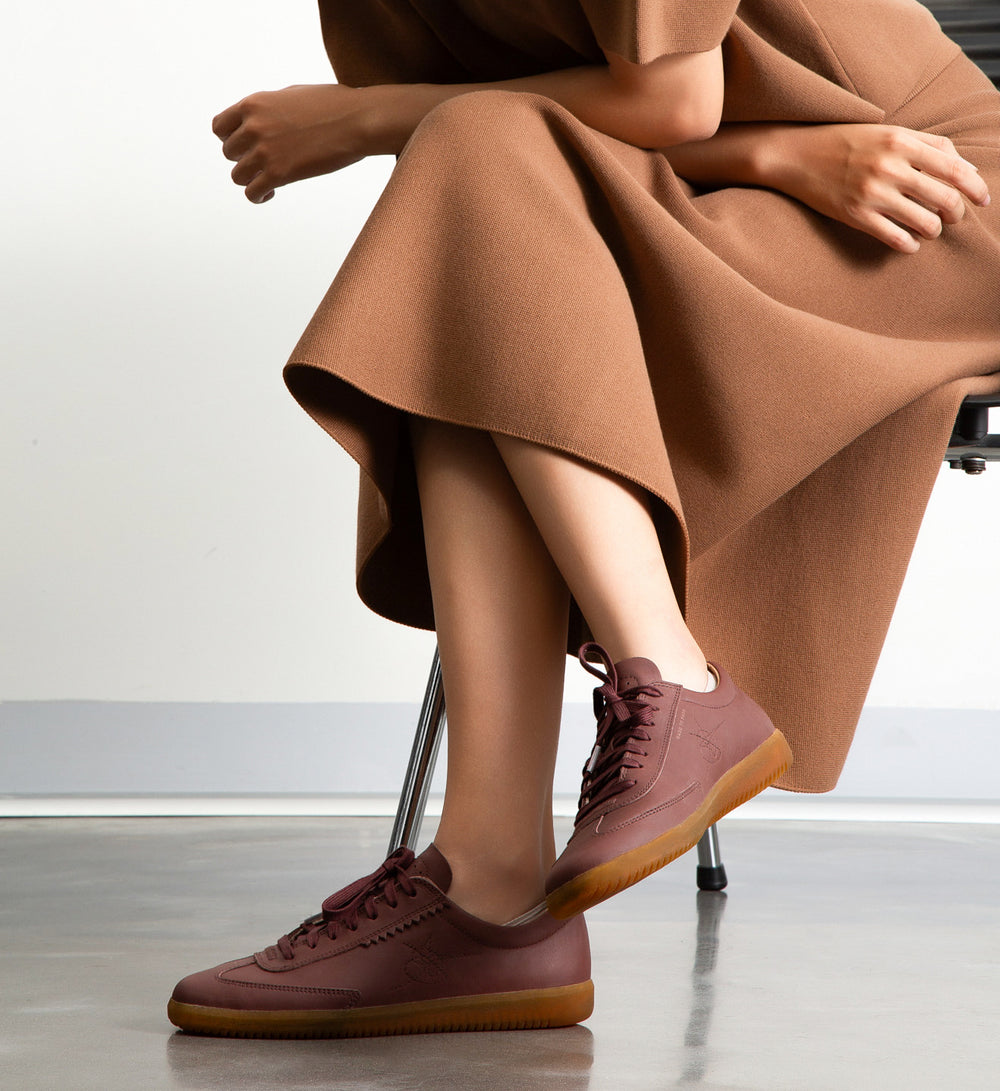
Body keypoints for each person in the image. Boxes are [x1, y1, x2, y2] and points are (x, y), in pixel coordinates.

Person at [168, 0, 999, 1038]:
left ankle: (634, 722)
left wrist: (363, 118)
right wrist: (774, 152)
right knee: (483, 256)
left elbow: (669, 96)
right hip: (751, 190)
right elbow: (544, 139)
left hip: (930, 198)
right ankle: (494, 885)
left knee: (476, 179)